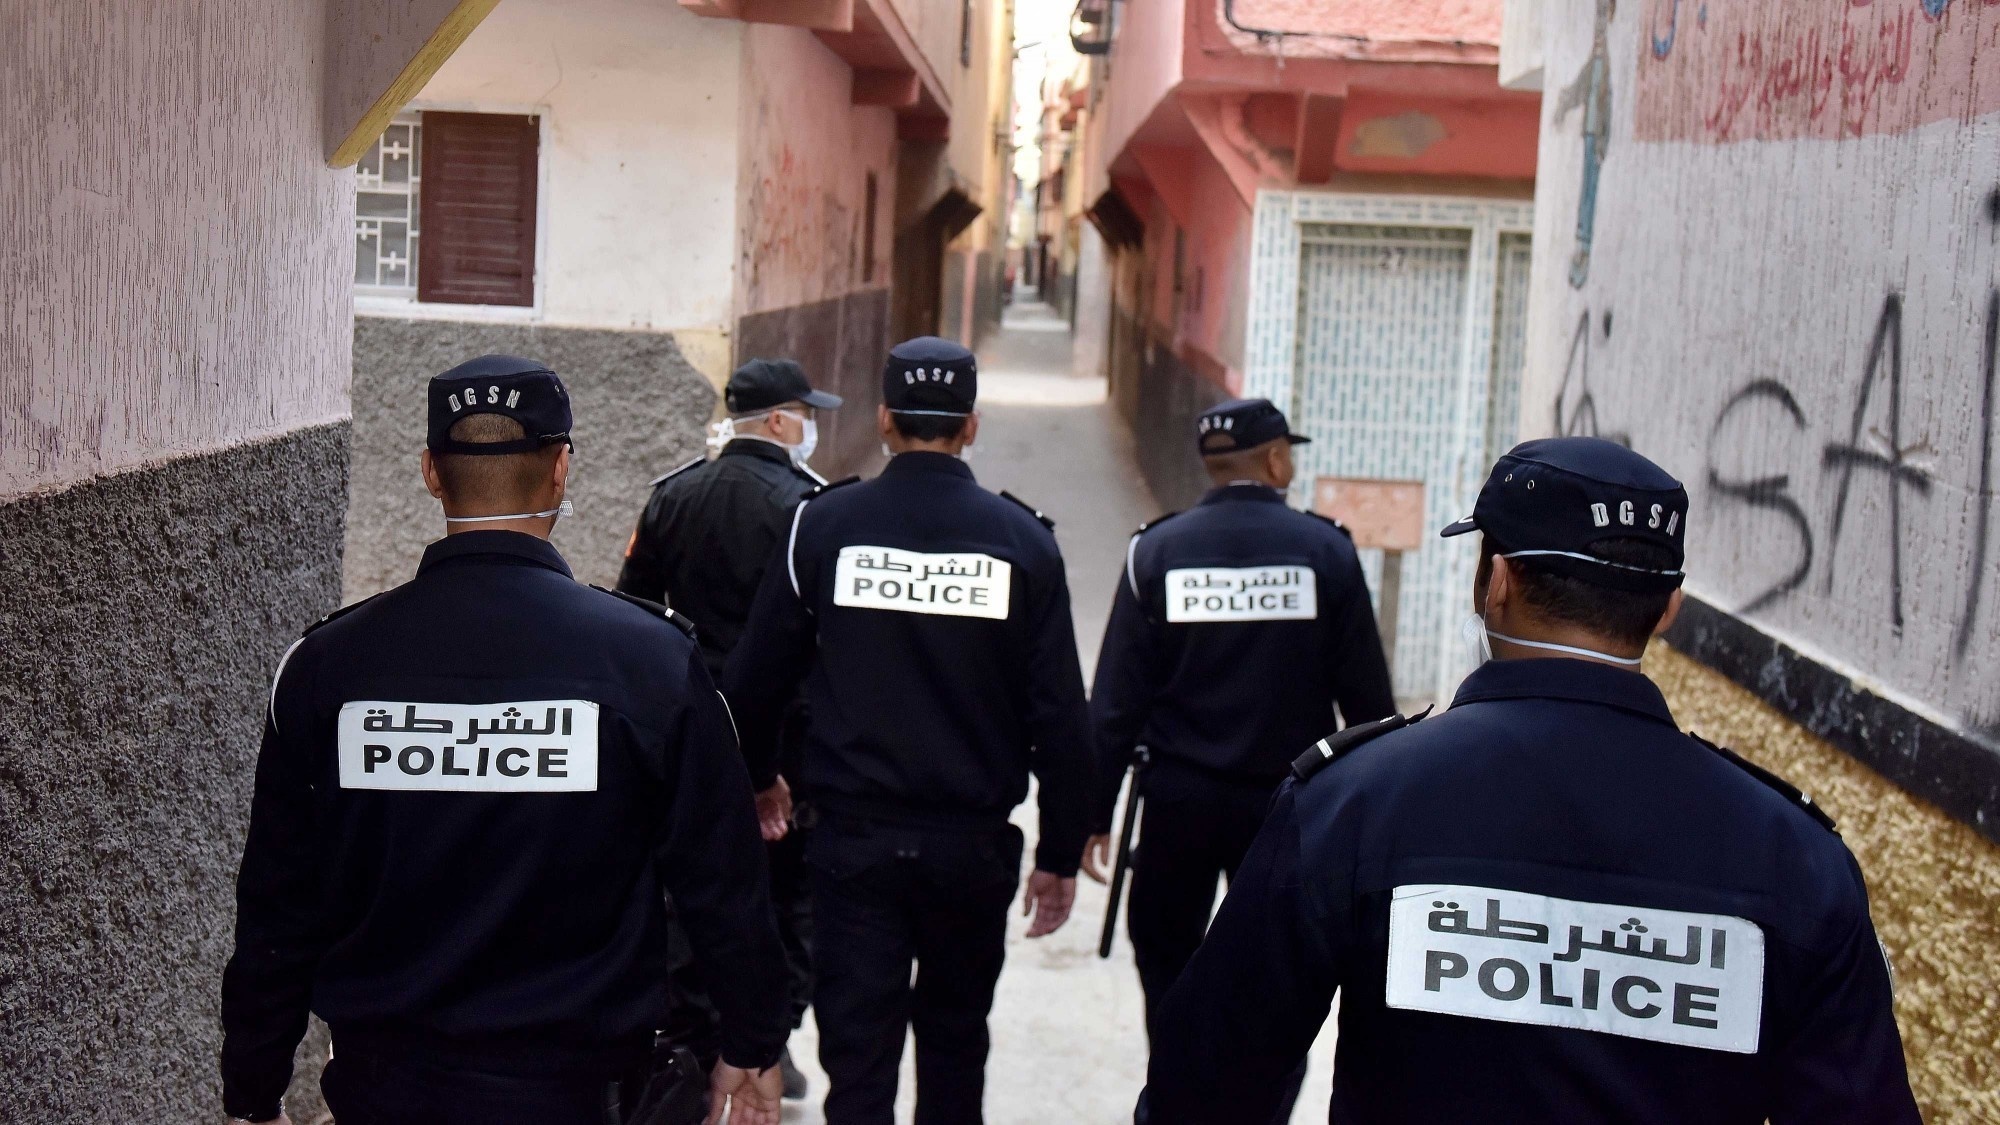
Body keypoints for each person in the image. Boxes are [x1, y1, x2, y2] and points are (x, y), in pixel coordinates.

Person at [1138, 436, 1920, 1124]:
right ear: (1668, 607)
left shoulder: (1354, 804)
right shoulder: (1794, 857)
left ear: (1497, 579)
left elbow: (1207, 1081)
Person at [219, 355, 791, 1125]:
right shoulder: (648, 661)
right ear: (561, 471)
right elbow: (722, 880)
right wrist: (751, 1045)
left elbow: (277, 907)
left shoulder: (328, 666)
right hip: (576, 1097)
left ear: (430, 472)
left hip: (382, 1092)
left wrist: (254, 1091)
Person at [721, 336, 1093, 1125]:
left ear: (885, 420)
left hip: (853, 845)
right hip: (972, 846)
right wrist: (1059, 851)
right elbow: (1061, 714)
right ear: (972, 425)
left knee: (858, 1055)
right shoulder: (1024, 543)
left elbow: (754, 681)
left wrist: (759, 777)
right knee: (957, 1046)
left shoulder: (823, 527)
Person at [1083, 399, 1394, 1065]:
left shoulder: (1157, 550)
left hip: (1177, 804)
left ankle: (1173, 1094)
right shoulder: (1327, 552)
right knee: (1278, 976)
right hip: (1289, 809)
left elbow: (1115, 704)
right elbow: (1367, 705)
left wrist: (1091, 815)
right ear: (1277, 459)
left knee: (1167, 961)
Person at [617, 357, 842, 1099]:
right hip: (782, 744)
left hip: (685, 731)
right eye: (805, 413)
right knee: (783, 899)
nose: (811, 426)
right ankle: (765, 1044)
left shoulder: (672, 496)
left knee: (689, 892)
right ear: (779, 421)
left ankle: (690, 1040)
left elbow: (635, 613)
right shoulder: (809, 509)